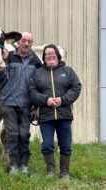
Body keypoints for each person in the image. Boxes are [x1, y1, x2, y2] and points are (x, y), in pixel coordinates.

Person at [29, 44, 81, 179]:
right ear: (44, 58)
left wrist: (62, 100)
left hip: (64, 115)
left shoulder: (68, 71)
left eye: (52, 53)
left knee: (65, 145)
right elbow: (32, 92)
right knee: (47, 145)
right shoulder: (38, 73)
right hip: (46, 117)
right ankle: (50, 171)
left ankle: (64, 172)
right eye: (47, 54)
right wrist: (46, 100)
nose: (50, 55)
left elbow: (76, 87)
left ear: (57, 55)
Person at [0, 32, 42, 174]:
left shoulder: (36, 62)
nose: (26, 44)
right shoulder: (8, 57)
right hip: (8, 103)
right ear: (19, 42)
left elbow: (39, 85)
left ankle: (24, 165)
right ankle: (14, 165)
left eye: (29, 41)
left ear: (32, 43)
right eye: (23, 41)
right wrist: (3, 63)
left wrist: (36, 107)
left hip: (26, 104)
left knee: (24, 134)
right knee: (12, 134)